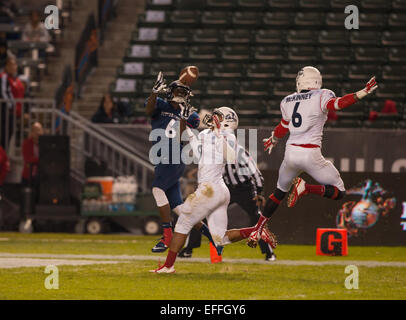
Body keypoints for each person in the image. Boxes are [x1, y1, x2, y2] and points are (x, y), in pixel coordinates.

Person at [246, 66, 378, 247]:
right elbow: (338, 104)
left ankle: (258, 230)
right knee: (339, 191)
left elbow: (284, 126)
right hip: (310, 154)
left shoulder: (287, 100)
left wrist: (274, 139)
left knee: (278, 193)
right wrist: (362, 93)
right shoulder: (322, 95)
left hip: (290, 153)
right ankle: (306, 188)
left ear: (300, 81)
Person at [150, 107, 277, 273]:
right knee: (220, 238)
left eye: (217, 116)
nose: (212, 118)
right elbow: (196, 151)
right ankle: (256, 231)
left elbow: (231, 157)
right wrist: (185, 124)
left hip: (210, 189)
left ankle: (168, 266)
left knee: (182, 224)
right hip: (219, 189)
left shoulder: (228, 135)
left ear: (224, 121)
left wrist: (219, 135)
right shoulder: (205, 134)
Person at [145, 71, 219, 253]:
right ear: (169, 92)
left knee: (157, 189)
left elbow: (182, 136)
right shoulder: (161, 105)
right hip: (164, 157)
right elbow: (148, 110)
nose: (179, 95)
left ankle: (167, 235)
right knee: (180, 208)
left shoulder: (189, 115)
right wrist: (154, 93)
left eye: (183, 92)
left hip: (173, 155)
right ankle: (213, 237)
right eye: (177, 91)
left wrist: (186, 119)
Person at [178, 143, 277, 261]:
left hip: (244, 189)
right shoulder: (216, 151)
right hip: (226, 188)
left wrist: (259, 192)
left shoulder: (240, 152)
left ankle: (269, 252)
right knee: (201, 214)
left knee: (257, 217)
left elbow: (255, 172)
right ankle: (189, 249)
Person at [0, 56, 25, 150]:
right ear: (6, 66)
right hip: (5, 112)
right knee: (4, 137)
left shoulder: (16, 79)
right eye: (10, 65)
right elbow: (3, 93)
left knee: (8, 137)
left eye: (14, 65)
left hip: (14, 113)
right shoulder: (3, 76)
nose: (13, 67)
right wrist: (11, 106)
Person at [21, 122, 43, 189]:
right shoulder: (26, 143)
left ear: (42, 132)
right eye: (35, 130)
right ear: (31, 132)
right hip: (28, 177)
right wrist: (40, 159)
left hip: (42, 177)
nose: (37, 133)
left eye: (39, 130)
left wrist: (37, 159)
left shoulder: (45, 144)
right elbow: (28, 159)